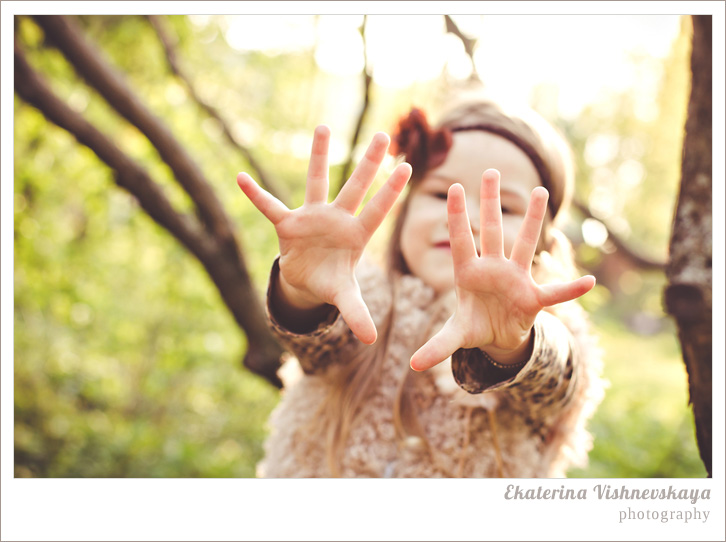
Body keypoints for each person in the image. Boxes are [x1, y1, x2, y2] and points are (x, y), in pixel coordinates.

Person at [236, 93, 605, 478]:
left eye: (504, 208)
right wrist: (303, 293)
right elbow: (312, 341)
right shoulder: (363, 295)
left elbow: (558, 381)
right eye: (441, 194)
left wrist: (511, 345)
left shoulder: (550, 326)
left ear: (544, 240)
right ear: (404, 208)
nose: (468, 219)